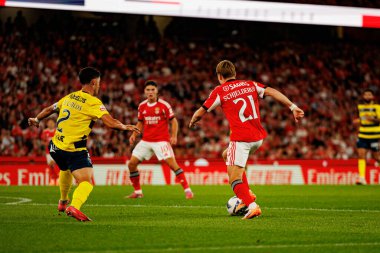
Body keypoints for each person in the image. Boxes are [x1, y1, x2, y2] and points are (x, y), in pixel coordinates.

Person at [189, 60, 304, 219]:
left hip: (241, 139)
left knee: (233, 179)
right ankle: (248, 192)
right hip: (257, 138)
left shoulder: (220, 90)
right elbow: (272, 91)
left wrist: (193, 120)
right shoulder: (250, 84)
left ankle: (252, 205)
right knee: (226, 155)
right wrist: (292, 107)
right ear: (234, 73)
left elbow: (201, 111)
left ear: (220, 76)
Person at [28, 67, 140, 221]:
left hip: (54, 147)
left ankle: (62, 201)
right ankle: (74, 206)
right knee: (86, 182)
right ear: (93, 83)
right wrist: (124, 126)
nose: (99, 86)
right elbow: (110, 122)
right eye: (99, 83)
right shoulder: (93, 102)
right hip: (73, 149)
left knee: (65, 168)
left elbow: (50, 109)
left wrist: (37, 119)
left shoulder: (70, 97)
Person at [127, 80, 193, 199]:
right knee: (131, 164)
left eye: (152, 90)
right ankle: (138, 192)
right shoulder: (142, 106)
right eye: (148, 90)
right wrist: (134, 135)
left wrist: (174, 136)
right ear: (145, 92)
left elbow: (174, 121)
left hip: (161, 141)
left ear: (157, 91)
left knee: (173, 165)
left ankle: (188, 190)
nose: (150, 92)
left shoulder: (164, 105)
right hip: (146, 140)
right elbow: (140, 123)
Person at [354, 89, 380, 185]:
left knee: (376, 156)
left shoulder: (377, 107)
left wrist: (371, 119)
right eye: (366, 95)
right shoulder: (360, 107)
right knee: (361, 154)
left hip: (374, 135)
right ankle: (362, 178)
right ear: (363, 97)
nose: (368, 96)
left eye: (369, 94)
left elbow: (379, 120)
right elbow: (361, 119)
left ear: (372, 97)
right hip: (363, 135)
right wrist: (357, 121)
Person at [40, 118, 59, 186]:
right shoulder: (45, 131)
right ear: (47, 124)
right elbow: (42, 142)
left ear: (54, 124)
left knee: (55, 164)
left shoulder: (57, 131)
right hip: (48, 152)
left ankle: (57, 179)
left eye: (52, 123)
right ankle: (52, 180)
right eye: (49, 123)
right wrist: (47, 144)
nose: (50, 124)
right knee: (50, 165)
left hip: (56, 151)